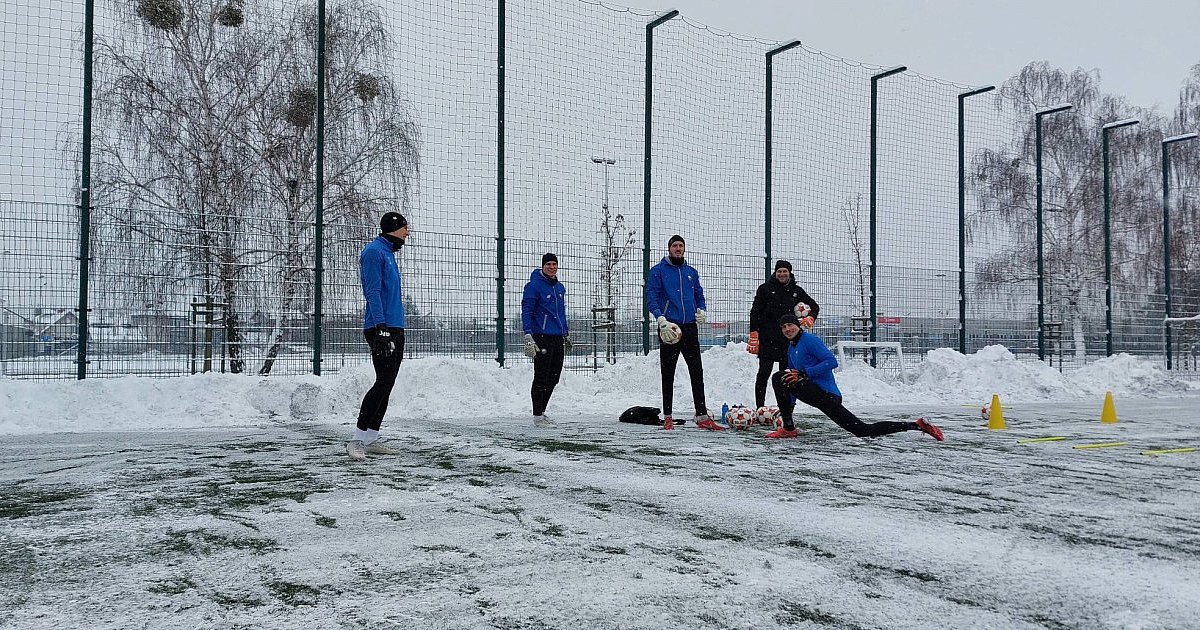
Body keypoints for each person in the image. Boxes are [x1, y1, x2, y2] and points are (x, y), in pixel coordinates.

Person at [767, 313, 944, 441]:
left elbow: (831, 361)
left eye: (790, 325)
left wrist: (805, 373)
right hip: (813, 394)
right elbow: (790, 382)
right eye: (783, 327)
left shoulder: (810, 340)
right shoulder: (791, 348)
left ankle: (916, 425)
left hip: (827, 396)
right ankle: (788, 429)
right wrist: (788, 407)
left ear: (798, 325)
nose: (787, 329)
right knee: (781, 378)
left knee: (862, 430)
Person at [348, 211, 410, 461]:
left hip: (395, 326)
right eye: (404, 228)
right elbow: (372, 291)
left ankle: (371, 438)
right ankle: (357, 440)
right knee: (383, 381)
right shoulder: (373, 252)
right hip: (380, 327)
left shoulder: (388, 253)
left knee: (389, 382)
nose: (407, 232)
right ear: (392, 228)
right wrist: (381, 327)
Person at [646, 235, 721, 431]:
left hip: (689, 327)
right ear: (669, 248)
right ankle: (668, 416)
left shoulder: (691, 272)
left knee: (697, 371)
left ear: (684, 249)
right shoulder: (658, 271)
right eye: (674, 246)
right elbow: (651, 297)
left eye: (681, 246)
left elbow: (699, 295)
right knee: (668, 372)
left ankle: (702, 415)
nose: (678, 249)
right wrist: (660, 318)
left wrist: (702, 309)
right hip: (669, 328)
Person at [748, 260, 819, 409]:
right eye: (779, 271)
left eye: (785, 271)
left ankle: (786, 410)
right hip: (767, 339)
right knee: (763, 374)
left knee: (786, 376)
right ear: (775, 273)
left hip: (788, 341)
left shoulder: (796, 291)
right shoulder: (765, 289)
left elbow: (814, 306)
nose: (782, 274)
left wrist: (810, 317)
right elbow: (755, 312)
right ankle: (760, 408)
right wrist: (754, 334)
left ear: (789, 273)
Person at [521, 253, 571, 427]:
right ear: (543, 266)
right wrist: (528, 334)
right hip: (541, 336)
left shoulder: (559, 288)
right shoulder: (533, 287)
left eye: (554, 264)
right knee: (541, 376)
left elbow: (561, 313)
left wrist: (565, 332)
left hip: (558, 337)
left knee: (554, 377)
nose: (551, 267)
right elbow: (527, 311)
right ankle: (537, 416)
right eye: (548, 264)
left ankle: (542, 412)